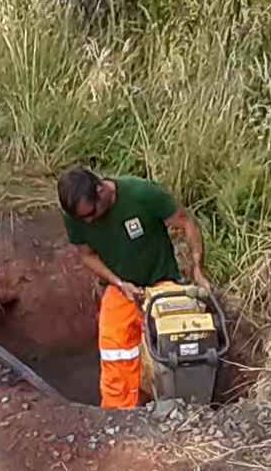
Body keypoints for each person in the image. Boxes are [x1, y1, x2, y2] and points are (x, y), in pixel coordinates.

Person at [58, 167, 211, 408]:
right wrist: (119, 282)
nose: (88, 221)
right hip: (122, 287)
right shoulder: (76, 215)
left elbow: (186, 222)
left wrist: (197, 268)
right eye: (82, 219)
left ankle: (183, 408)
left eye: (91, 214)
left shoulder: (140, 194)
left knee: (178, 341)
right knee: (114, 347)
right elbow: (86, 254)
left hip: (161, 281)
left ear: (101, 190)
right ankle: (119, 415)